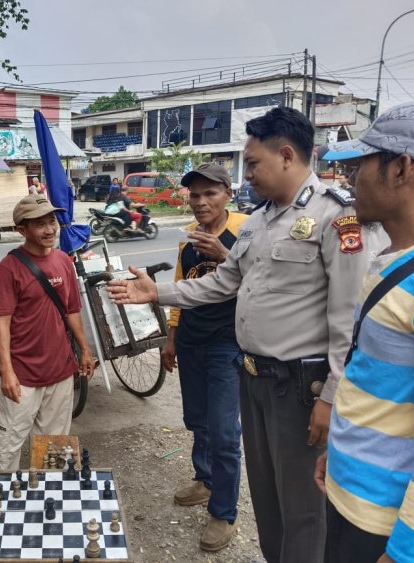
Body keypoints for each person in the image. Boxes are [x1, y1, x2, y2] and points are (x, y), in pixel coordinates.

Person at [106, 106, 387, 563]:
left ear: (288, 155)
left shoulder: (336, 218)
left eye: (253, 163)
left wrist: (332, 397)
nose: (248, 174)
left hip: (302, 386)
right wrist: (155, 291)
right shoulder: (260, 219)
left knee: (303, 510)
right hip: (254, 378)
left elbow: (348, 319)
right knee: (268, 502)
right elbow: (222, 282)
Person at [313, 102, 414, 563]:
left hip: (385, 522)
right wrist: (340, 457)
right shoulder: (389, 259)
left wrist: (406, 549)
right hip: (353, 494)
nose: (350, 179)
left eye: (360, 166)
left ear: (400, 168)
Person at [163, 163, 249, 552]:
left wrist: (228, 254)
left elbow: (265, 282)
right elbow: (181, 293)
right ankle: (205, 478)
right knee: (198, 418)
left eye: (209, 193)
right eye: (194, 195)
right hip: (193, 342)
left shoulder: (248, 231)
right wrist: (171, 338)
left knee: (225, 431)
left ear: (227, 194)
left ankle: (224, 511)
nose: (200, 202)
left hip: (227, 344)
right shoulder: (188, 243)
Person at [0, 194, 95, 472]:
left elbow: (72, 310)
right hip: (23, 375)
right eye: (39, 225)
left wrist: (84, 349)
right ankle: (0, 501)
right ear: (22, 230)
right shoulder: (9, 268)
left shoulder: (63, 261)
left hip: (60, 369)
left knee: (54, 445)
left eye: (51, 221)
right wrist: (6, 371)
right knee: (7, 443)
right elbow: (2, 324)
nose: (49, 230)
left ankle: (49, 496)